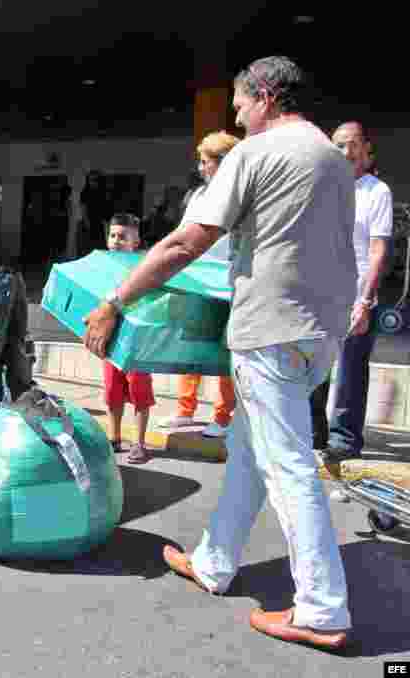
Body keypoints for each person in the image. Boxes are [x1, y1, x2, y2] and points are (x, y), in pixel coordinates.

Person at [83, 56, 357, 650]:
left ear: (264, 95)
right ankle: (214, 561)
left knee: (285, 465)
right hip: (319, 333)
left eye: (239, 104)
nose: (236, 115)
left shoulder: (255, 154)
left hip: (271, 332)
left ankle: (322, 608)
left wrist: (114, 301)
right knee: (249, 451)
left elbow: (187, 241)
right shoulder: (334, 160)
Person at [158, 131, 241, 438]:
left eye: (207, 162)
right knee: (190, 348)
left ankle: (223, 416)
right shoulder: (197, 195)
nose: (202, 168)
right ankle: (185, 409)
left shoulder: (239, 196)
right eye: (202, 162)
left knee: (223, 352)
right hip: (196, 281)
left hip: (228, 284)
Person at [319, 122, 392, 463]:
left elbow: (378, 250)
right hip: (320, 295)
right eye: (338, 145)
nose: (345, 152)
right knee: (314, 369)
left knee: (349, 373)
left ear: (365, 149)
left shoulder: (376, 192)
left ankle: (344, 441)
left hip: (356, 298)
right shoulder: (324, 190)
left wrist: (365, 301)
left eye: (352, 145)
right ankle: (313, 434)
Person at [101, 212, 156, 464]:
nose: (115, 241)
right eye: (112, 235)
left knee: (139, 390)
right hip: (110, 338)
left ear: (136, 241)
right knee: (112, 390)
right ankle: (114, 437)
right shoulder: (103, 266)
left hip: (137, 339)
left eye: (122, 237)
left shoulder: (145, 267)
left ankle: (139, 443)